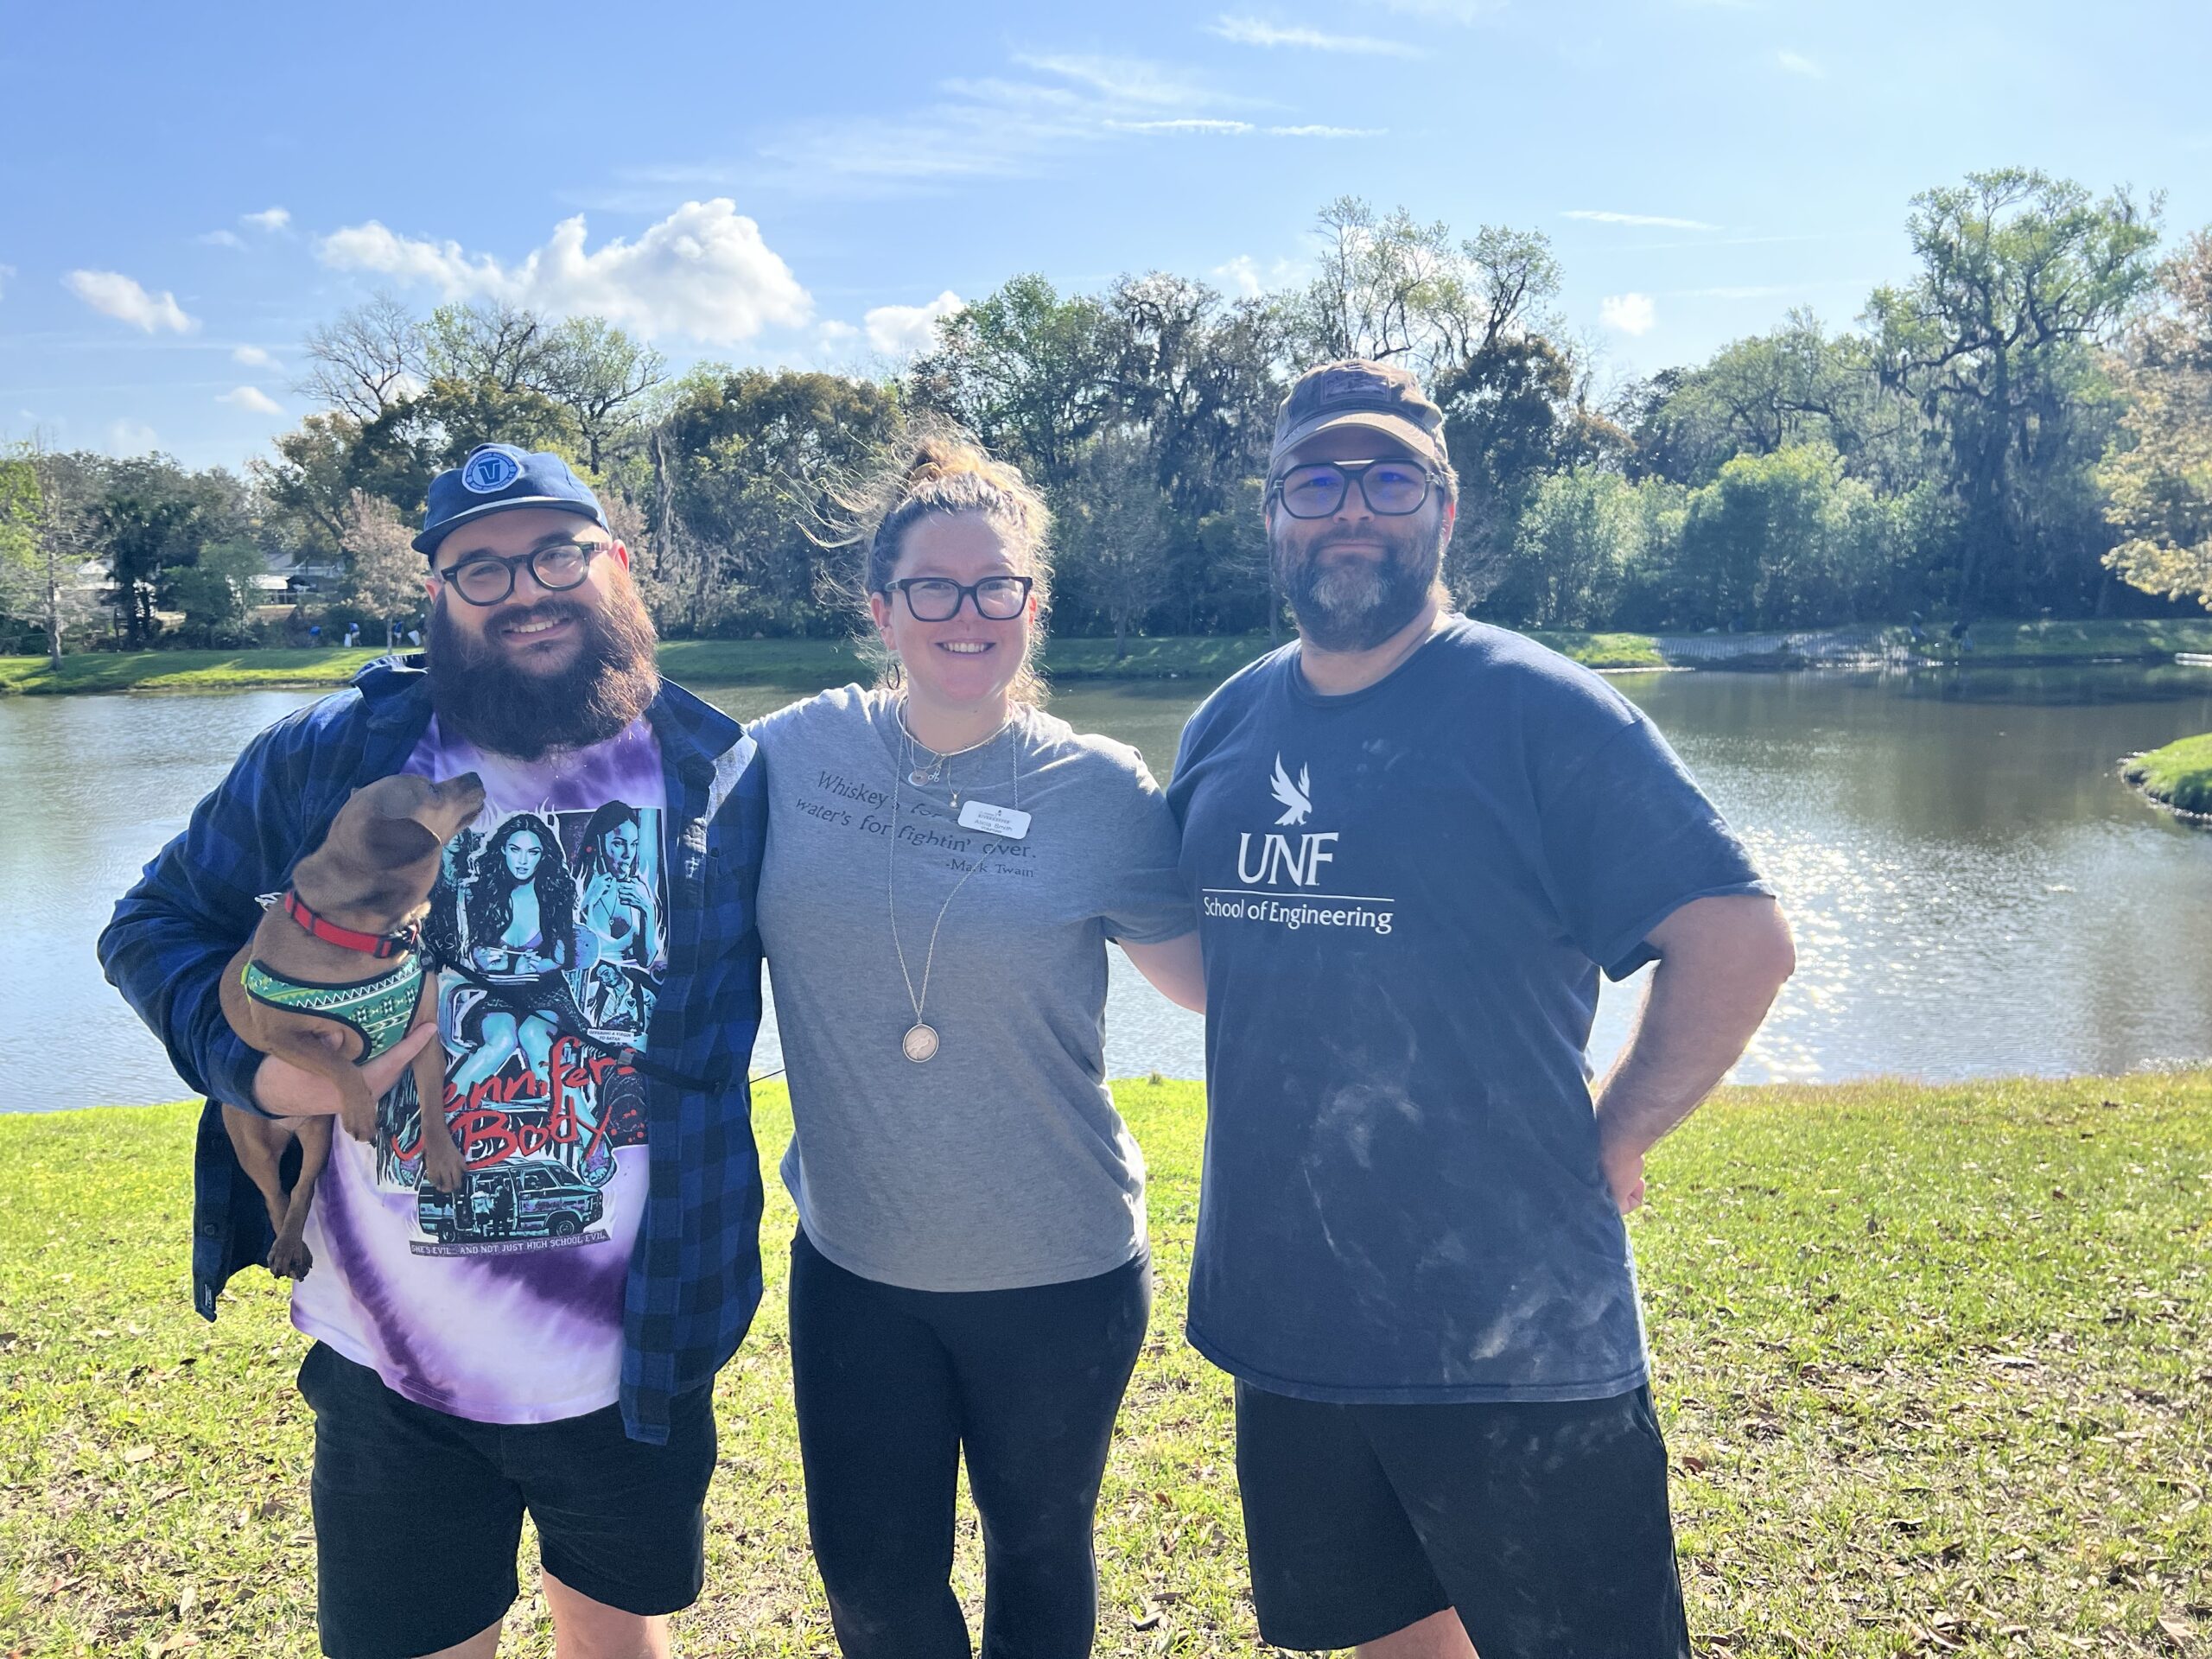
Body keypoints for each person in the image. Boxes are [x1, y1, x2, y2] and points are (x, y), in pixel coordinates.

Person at [1166, 361, 1796, 1659]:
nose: (1352, 509)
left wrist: (1616, 1133)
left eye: (1389, 479)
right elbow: (1215, 950)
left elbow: (1738, 942)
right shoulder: (1232, 718)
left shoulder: (1537, 708)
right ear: (1275, 514)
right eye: (1316, 482)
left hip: (1514, 1332)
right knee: (1386, 1641)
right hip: (1293, 1312)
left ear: (1442, 512)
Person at [99, 442, 768, 1659]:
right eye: (480, 568)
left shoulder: (718, 771)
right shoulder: (330, 757)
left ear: (616, 565)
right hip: (387, 1366)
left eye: (558, 552)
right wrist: (250, 1064)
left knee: (617, 1640)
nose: (525, 587)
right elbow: (152, 925)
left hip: (640, 1349)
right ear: (436, 598)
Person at [747, 429, 1204, 1658]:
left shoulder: (1102, 789)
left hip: (1062, 1271)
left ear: (1031, 604)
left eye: (993, 585)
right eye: (934, 588)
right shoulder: (790, 756)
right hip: (857, 1270)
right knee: (874, 1582)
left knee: (1042, 1560)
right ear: (883, 609)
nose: (966, 612)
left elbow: (1218, 985)